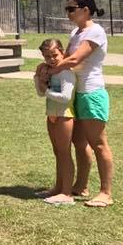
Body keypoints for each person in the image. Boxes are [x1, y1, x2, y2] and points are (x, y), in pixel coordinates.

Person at [50, 0, 114, 208]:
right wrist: (47, 66)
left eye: (71, 9)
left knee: (98, 143)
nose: (67, 13)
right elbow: (65, 56)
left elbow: (76, 59)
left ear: (85, 9)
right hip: (76, 93)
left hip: (91, 93)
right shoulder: (76, 31)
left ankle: (106, 193)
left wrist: (50, 70)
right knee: (79, 143)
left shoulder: (96, 31)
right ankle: (81, 186)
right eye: (66, 9)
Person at [33, 39, 76, 205]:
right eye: (47, 56)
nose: (51, 59)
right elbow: (40, 93)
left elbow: (65, 97)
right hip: (51, 114)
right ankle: (58, 188)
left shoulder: (65, 72)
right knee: (57, 152)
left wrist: (47, 90)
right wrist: (38, 77)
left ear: (62, 52)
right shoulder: (50, 71)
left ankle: (67, 192)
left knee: (65, 153)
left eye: (54, 55)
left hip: (64, 114)